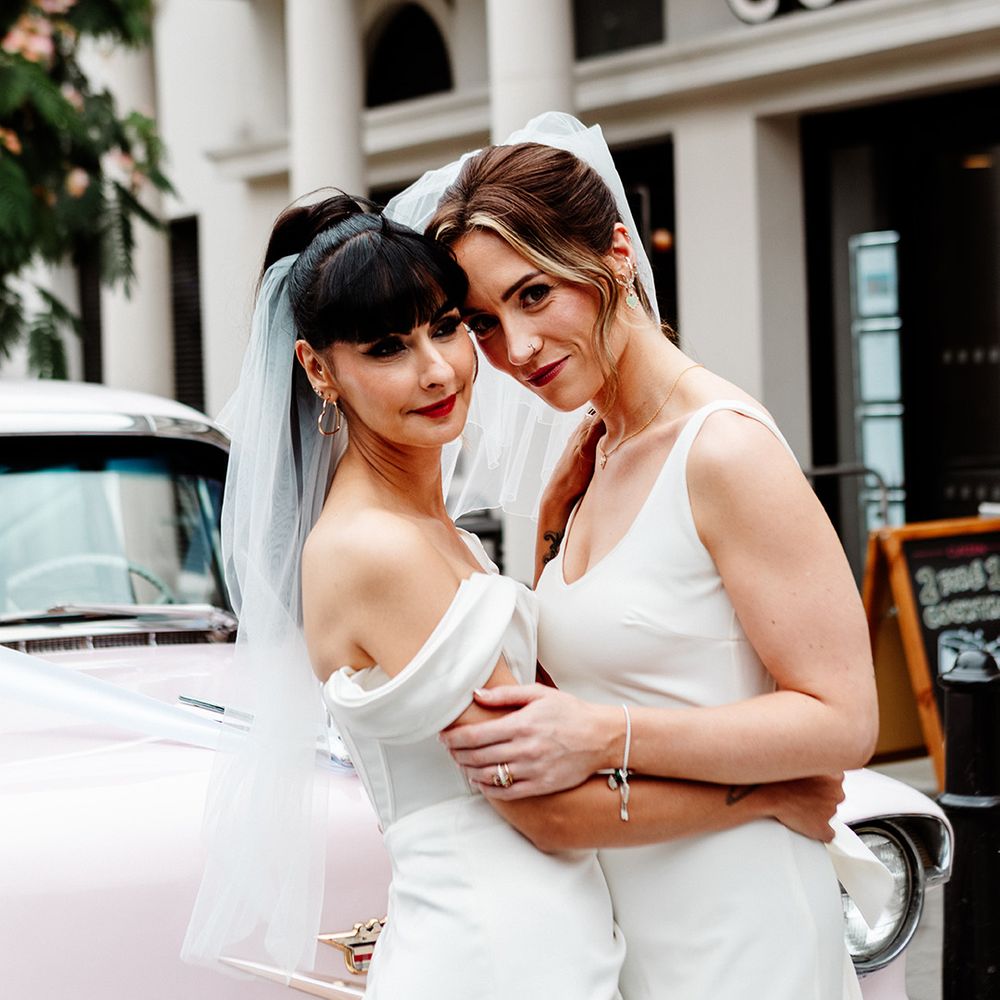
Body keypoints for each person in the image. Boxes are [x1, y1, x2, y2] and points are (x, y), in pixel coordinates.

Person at [182, 190, 852, 998]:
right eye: (388, 347)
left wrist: (544, 540)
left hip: (558, 935)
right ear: (319, 369)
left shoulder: (436, 533)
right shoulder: (375, 549)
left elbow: (529, 696)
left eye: (447, 327)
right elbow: (547, 807)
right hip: (496, 951)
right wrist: (771, 794)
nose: (437, 369)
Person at [385, 113, 885, 1000]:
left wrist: (603, 737)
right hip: (632, 920)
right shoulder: (588, 459)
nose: (517, 350)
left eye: (535, 295)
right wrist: (546, 534)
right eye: (486, 324)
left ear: (616, 252)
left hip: (742, 921)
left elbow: (843, 721)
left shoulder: (723, 450)